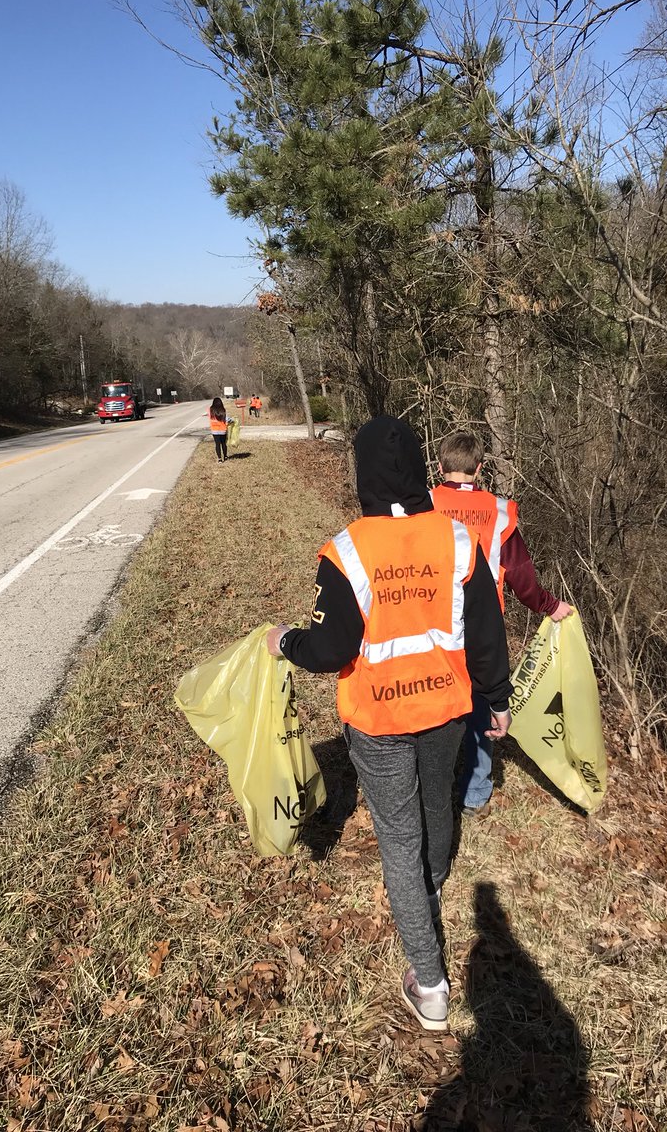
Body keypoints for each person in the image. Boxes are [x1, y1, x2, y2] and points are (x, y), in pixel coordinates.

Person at [266, 416, 511, 1033]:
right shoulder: (459, 541)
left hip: (377, 721)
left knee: (399, 836)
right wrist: (499, 698)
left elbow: (330, 650)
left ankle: (429, 985)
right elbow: (486, 633)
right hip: (447, 711)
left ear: (363, 475)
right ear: (419, 470)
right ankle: (427, 888)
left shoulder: (347, 550)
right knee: (436, 808)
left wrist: (283, 641)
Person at [430, 431, 573, 817]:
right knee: (482, 710)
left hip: (431, 623)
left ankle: (433, 786)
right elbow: (523, 579)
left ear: (440, 466)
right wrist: (550, 606)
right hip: (482, 628)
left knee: (434, 706)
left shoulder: (422, 504)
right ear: (479, 468)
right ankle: (475, 794)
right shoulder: (500, 512)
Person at [208, 397, 228, 462]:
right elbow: (225, 419)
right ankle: (225, 456)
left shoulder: (210, 410)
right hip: (223, 430)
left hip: (214, 430)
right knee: (223, 444)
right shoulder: (223, 410)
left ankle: (219, 459)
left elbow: (209, 417)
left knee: (217, 444)